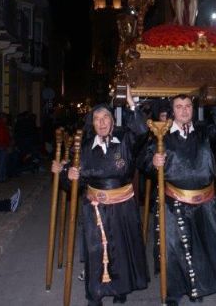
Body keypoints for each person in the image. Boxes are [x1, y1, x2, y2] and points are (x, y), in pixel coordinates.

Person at [52, 86, 148, 306]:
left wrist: (132, 103)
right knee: (96, 251)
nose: (102, 122)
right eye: (97, 119)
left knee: (122, 249)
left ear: (113, 121)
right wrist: (68, 174)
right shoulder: (84, 149)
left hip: (123, 205)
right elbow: (74, 183)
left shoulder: (125, 141)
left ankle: (120, 290)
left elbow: (142, 131)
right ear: (92, 124)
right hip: (94, 207)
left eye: (106, 117)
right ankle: (95, 294)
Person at [148, 94, 216, 305]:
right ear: (172, 111)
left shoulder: (204, 131)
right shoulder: (163, 135)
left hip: (205, 200)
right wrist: (153, 161)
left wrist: (212, 102)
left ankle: (198, 287)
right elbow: (145, 160)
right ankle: (174, 292)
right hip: (174, 201)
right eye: (179, 107)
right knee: (174, 248)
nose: (184, 110)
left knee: (206, 244)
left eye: (188, 106)